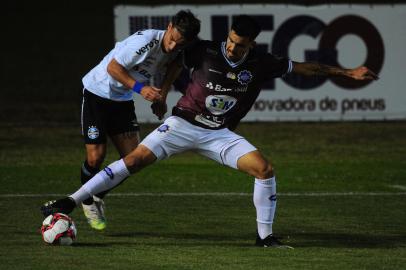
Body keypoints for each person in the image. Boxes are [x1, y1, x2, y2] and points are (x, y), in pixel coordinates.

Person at [41, 15, 378, 247]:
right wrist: (163, 95)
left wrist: (348, 72)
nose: (232, 48)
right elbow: (174, 62)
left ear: (251, 43)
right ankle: (71, 201)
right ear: (228, 35)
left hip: (219, 134)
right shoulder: (204, 49)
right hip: (182, 124)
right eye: (231, 41)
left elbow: (308, 67)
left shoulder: (260, 63)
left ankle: (264, 238)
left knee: (265, 169)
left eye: (240, 44)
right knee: (134, 160)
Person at [75, 10, 200, 230]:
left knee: (133, 160)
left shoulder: (180, 48)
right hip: (97, 92)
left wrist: (161, 96)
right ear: (169, 27)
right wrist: (141, 89)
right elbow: (113, 68)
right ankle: (86, 201)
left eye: (179, 44)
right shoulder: (145, 41)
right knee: (96, 157)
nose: (172, 47)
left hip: (121, 100)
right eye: (172, 40)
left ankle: (95, 196)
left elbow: (175, 66)